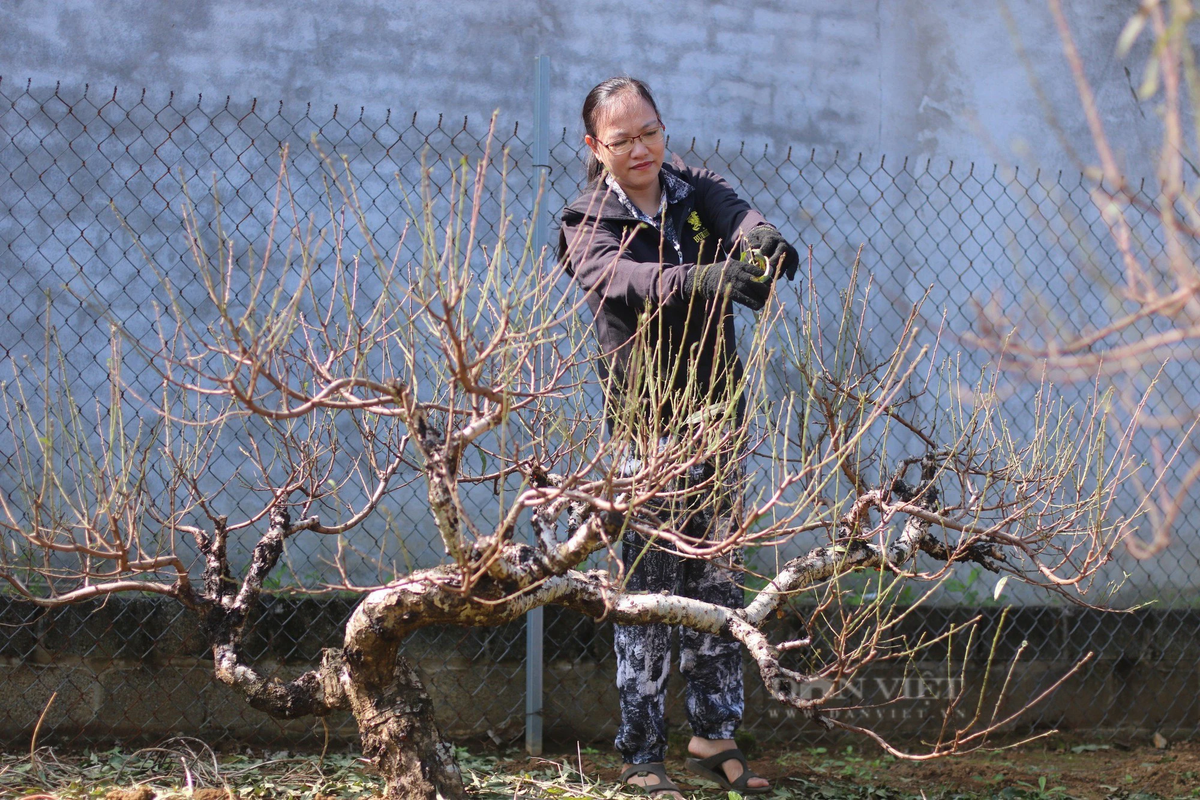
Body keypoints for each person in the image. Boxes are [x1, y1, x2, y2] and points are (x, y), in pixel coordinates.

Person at [557, 77, 800, 798]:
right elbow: (620, 279)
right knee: (648, 596)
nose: (641, 149)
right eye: (622, 138)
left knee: (719, 587)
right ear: (594, 147)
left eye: (651, 131)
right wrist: (709, 280)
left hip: (717, 421)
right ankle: (640, 751)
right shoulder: (586, 217)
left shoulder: (695, 191)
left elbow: (741, 216)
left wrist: (761, 247)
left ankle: (713, 732)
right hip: (647, 434)